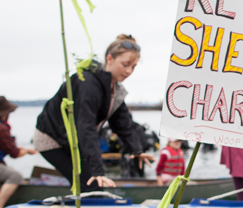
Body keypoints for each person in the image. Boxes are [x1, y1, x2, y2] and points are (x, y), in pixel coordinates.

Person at [34, 34, 155, 191]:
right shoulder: (87, 82)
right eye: (125, 64)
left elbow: (123, 124)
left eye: (133, 67)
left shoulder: (114, 88)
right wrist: (97, 170)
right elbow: (86, 126)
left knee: (92, 183)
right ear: (109, 59)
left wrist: (137, 150)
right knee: (90, 182)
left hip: (75, 139)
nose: (129, 71)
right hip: (53, 139)